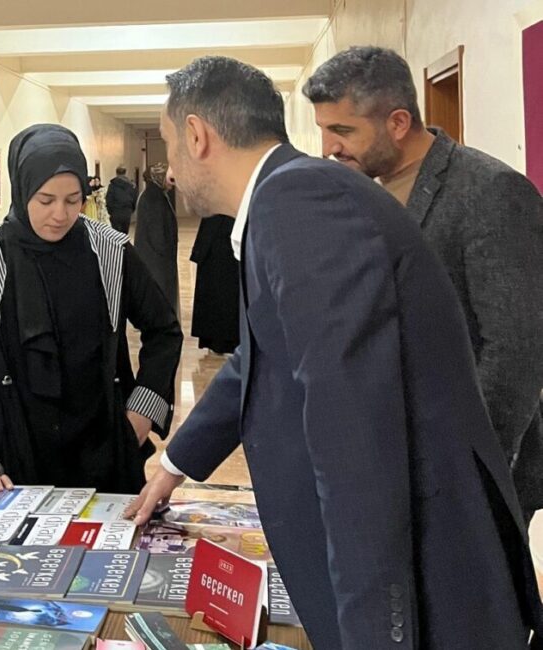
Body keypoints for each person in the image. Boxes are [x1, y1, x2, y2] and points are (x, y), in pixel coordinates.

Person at [128, 56, 543, 648]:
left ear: (197, 136)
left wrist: (375, 633)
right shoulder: (291, 195)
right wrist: (175, 464)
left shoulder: (298, 202)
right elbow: (260, 353)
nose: (169, 168)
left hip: (422, 565)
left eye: (168, 143)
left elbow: (354, 435)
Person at [303, 46, 543, 522]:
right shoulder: (358, 187)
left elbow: (517, 348)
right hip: (394, 458)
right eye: (325, 130)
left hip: (465, 471)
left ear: (397, 122)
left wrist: (466, 466)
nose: (329, 146)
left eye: (343, 130)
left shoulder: (490, 191)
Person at [0, 124, 183, 494]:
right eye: (45, 200)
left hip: (103, 441)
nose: (60, 214)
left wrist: (143, 409)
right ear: (22, 190)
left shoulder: (109, 249)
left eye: (74, 200)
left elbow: (163, 329)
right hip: (19, 446)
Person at [189, 214, 239, 354]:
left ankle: (220, 342)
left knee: (222, 296)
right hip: (219, 249)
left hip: (221, 248)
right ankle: (219, 341)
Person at [133, 162, 179, 313]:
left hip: (154, 258)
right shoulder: (154, 199)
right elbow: (158, 234)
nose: (172, 183)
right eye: (169, 179)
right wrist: (167, 252)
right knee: (160, 296)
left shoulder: (155, 195)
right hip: (156, 260)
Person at [104, 165, 137, 233]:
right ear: (125, 173)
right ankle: (124, 244)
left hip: (115, 212)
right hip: (127, 212)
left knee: (116, 235)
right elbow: (134, 198)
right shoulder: (130, 186)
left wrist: (110, 211)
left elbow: (108, 199)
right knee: (124, 234)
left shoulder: (112, 185)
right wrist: (131, 209)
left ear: (116, 173)